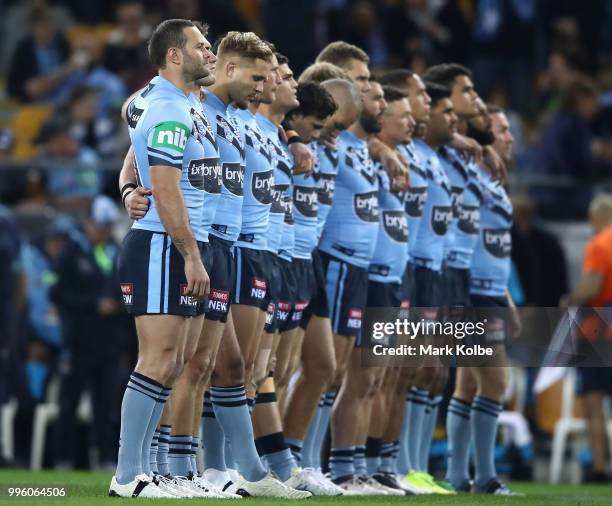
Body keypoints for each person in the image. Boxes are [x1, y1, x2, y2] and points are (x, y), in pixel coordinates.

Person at [110, 18, 213, 498]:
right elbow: (168, 189)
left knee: (175, 361)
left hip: (171, 239)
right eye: (201, 47)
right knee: (158, 359)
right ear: (175, 56)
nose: (209, 54)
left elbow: (135, 161)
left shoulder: (158, 102)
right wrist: (191, 255)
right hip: (161, 243)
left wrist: (129, 186)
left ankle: (149, 469)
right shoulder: (170, 109)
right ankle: (128, 474)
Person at [319, 80, 386, 494]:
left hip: (371, 270)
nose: (370, 94)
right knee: (328, 370)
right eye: (363, 83)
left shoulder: (363, 149)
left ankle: (354, 466)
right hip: (335, 262)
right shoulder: (333, 143)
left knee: (371, 377)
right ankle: (317, 463)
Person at [50, 197, 127, 470]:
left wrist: (116, 305)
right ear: (88, 223)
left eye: (108, 226)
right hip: (78, 340)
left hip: (108, 343)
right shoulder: (71, 251)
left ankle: (106, 459)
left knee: (106, 405)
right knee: (68, 403)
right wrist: (94, 304)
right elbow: (57, 292)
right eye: (100, 225)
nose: (104, 231)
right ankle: (64, 459)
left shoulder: (116, 252)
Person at [565, 193, 612, 483]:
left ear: (595, 218)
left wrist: (569, 300)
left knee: (594, 401)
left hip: (601, 326)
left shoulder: (598, 244)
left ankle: (598, 468)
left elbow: (592, 286)